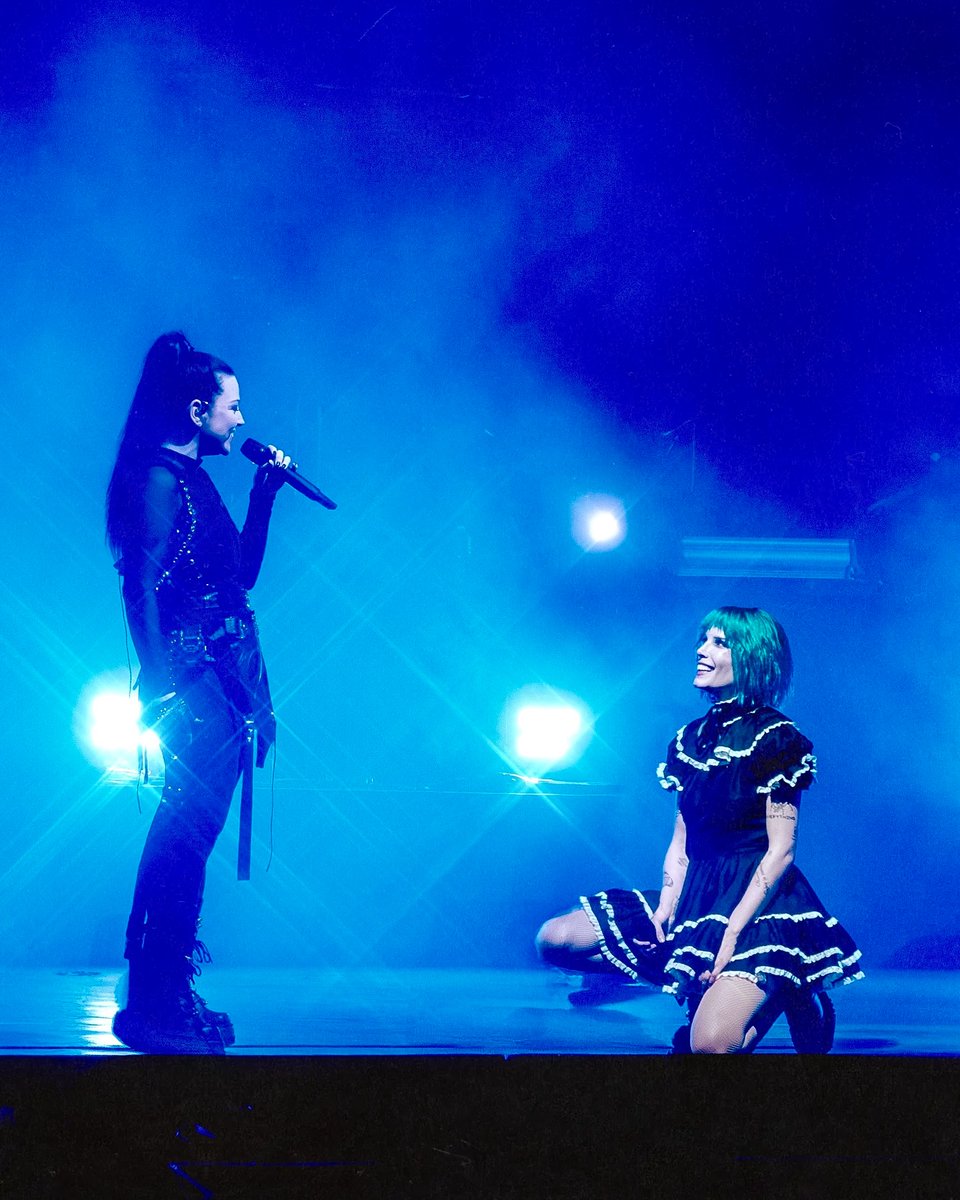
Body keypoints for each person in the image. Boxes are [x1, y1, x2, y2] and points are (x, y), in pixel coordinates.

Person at [536, 606, 863, 1054]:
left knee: (710, 1045)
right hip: (699, 895)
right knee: (555, 940)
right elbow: (681, 843)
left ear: (751, 657)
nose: (701, 650)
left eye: (718, 642)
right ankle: (720, 989)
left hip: (759, 905)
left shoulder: (776, 738)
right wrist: (666, 908)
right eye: (703, 640)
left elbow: (781, 851)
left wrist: (731, 932)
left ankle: (789, 986)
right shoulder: (689, 741)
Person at [105, 331, 290, 1054]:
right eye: (231, 406)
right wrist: (158, 689)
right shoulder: (156, 479)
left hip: (222, 679)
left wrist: (265, 494)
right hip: (189, 681)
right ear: (195, 408)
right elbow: (140, 587)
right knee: (184, 828)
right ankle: (156, 990)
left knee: (194, 830)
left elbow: (239, 575)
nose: (241, 420)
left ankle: (168, 983)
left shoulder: (198, 479)